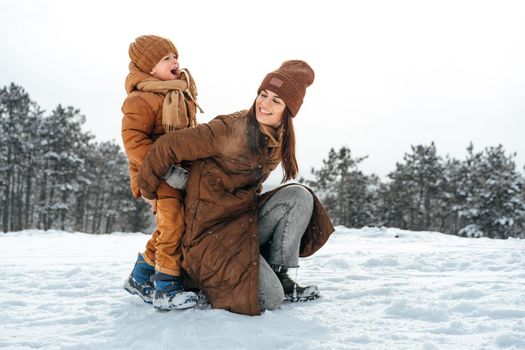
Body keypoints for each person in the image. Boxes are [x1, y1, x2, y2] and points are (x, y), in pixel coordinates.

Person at [138, 60, 335, 316]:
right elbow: (168, 147)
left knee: (298, 196)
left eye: (276, 100)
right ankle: (198, 278)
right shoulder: (229, 128)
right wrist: (149, 191)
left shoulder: (277, 140)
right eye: (263, 95)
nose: (264, 104)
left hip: (242, 222)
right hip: (211, 235)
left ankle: (279, 274)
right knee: (269, 298)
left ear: (288, 110)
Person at [121, 35, 202, 310]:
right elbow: (133, 142)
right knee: (173, 226)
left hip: (180, 171)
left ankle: (140, 276)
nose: (174, 61)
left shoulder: (180, 93)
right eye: (166, 58)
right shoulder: (141, 100)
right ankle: (166, 287)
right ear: (149, 68)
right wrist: (165, 169)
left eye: (175, 56)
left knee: (174, 224)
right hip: (155, 174)